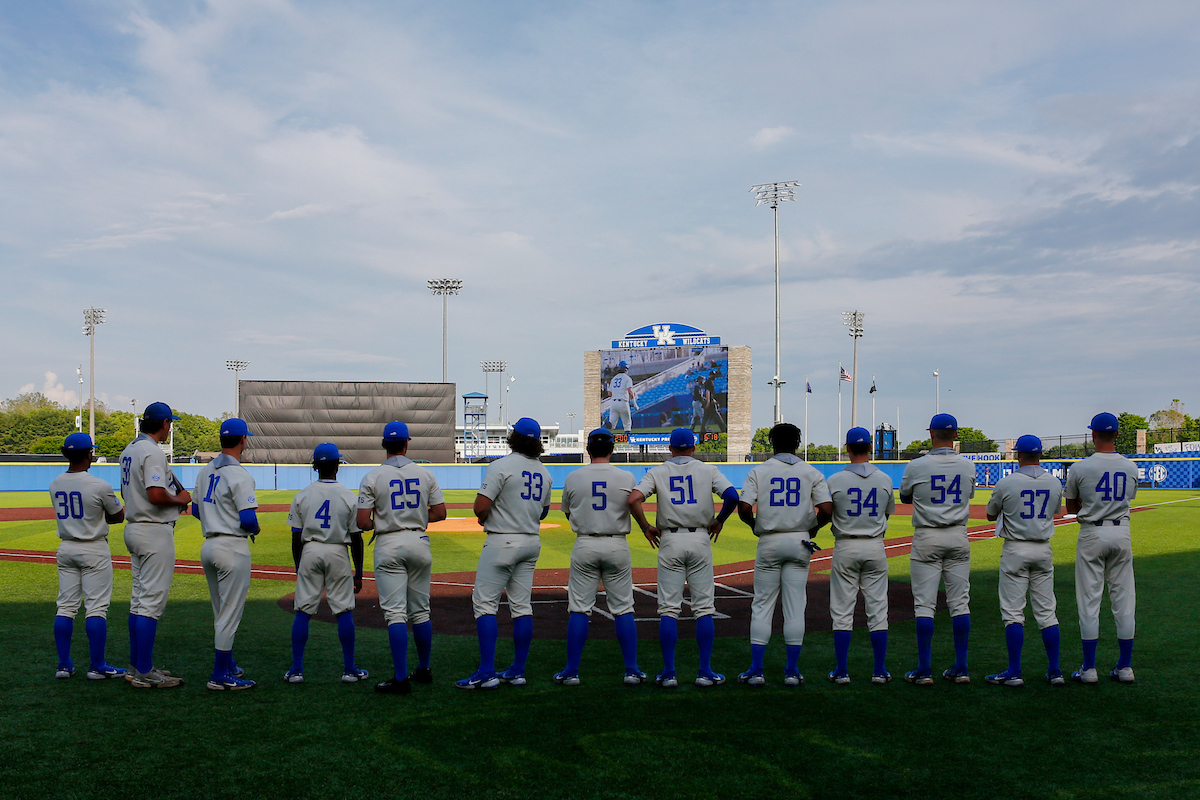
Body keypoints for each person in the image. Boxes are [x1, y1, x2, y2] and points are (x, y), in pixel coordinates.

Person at [628, 427, 739, 688]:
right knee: (704, 609)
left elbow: (634, 499)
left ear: (670, 448)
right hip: (700, 538)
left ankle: (669, 673)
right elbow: (733, 496)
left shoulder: (657, 471)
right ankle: (704, 672)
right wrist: (719, 521)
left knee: (668, 609)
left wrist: (646, 527)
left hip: (670, 540)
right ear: (693, 446)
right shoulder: (707, 469)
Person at [457, 417, 552, 690]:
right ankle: (517, 671)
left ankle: (487, 672)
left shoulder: (500, 466)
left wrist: (488, 515)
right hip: (531, 541)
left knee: (485, 605)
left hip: (502, 541)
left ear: (514, 438)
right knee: (522, 606)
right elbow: (543, 511)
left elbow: (479, 506)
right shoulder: (544, 472)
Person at [735, 423, 832, 686]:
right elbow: (826, 508)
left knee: (763, 605)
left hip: (769, 540)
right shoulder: (811, 471)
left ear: (772, 443)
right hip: (800, 539)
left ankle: (756, 671)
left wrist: (754, 525)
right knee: (795, 606)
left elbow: (744, 507)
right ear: (797, 443)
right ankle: (791, 671)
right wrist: (812, 528)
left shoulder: (759, 470)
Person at [357, 422, 446, 694]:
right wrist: (417, 518)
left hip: (389, 542)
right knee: (420, 611)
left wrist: (383, 520)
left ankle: (400, 678)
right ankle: (424, 668)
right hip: (419, 541)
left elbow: (363, 521)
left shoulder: (372, 476)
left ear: (384, 445)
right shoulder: (425, 473)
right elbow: (440, 513)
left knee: (395, 613)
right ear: (407, 444)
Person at [554, 428, 645, 686]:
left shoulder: (573, 477)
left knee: (579, 609)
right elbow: (635, 506)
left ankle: (572, 671)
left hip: (585, 543)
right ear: (612, 449)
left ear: (588, 449)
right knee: (624, 608)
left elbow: (568, 513)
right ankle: (631, 670)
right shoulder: (626, 476)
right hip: (617, 544)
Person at [899, 413, 977, 686]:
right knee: (960, 603)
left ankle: (924, 669)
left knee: (924, 605)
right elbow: (969, 495)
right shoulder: (967, 467)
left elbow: (905, 496)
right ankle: (962, 667)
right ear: (955, 435)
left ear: (931, 433)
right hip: (957, 535)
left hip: (927, 536)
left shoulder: (916, 465)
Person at [118, 401, 190, 689]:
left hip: (134, 527)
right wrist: (181, 500)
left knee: (138, 601)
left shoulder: (130, 449)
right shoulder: (151, 452)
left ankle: (137, 666)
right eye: (169, 422)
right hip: (153, 530)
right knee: (150, 604)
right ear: (164, 424)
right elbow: (157, 495)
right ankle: (144, 671)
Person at [983, 435, 1065, 687]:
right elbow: (1056, 512)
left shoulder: (1007, 482)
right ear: (1040, 454)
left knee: (1013, 614)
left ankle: (1015, 671)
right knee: (1047, 613)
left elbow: (989, 515)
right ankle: (1055, 671)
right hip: (1043, 548)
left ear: (1018, 454)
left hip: (1015, 549)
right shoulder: (1053, 482)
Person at [1065, 412, 1140, 684]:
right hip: (1121, 531)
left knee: (1089, 602)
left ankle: (1089, 668)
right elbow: (1128, 498)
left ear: (1093, 435)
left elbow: (1071, 507)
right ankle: (1125, 667)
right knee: (1124, 602)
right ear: (1117, 434)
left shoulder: (1081, 467)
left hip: (1092, 533)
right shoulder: (1130, 467)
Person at [286, 443, 367, 685]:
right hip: (338, 552)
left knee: (303, 610)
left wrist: (299, 565)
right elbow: (356, 538)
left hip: (310, 550)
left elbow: (295, 536)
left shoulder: (303, 495)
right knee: (343, 610)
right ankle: (349, 669)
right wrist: (359, 571)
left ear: (315, 467)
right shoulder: (348, 496)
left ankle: (297, 670)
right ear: (338, 466)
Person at [50, 433, 126, 680]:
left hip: (67, 547)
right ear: (88, 454)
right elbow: (118, 516)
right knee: (96, 608)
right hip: (93, 547)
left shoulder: (55, 483)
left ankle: (64, 665)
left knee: (65, 607)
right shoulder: (98, 484)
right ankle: (97, 666)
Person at [192, 418, 260, 691]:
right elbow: (247, 519)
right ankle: (220, 674)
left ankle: (228, 663)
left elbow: (196, 510)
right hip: (232, 547)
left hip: (209, 545)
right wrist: (255, 527)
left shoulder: (206, 470)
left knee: (220, 611)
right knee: (229, 614)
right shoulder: (240, 474)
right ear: (243, 440)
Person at [826, 427, 896, 685]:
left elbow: (825, 512)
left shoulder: (834, 480)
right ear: (870, 448)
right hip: (874, 545)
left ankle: (842, 671)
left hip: (845, 545)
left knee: (842, 611)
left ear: (847, 448)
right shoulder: (885, 479)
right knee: (878, 610)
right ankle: (879, 670)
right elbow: (887, 513)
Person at [607, 361, 636, 433]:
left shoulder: (613, 379)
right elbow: (630, 392)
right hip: (623, 402)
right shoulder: (627, 378)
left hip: (613, 403)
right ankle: (627, 439)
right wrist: (635, 404)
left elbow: (609, 394)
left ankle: (605, 429)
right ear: (626, 369)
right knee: (627, 424)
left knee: (611, 426)